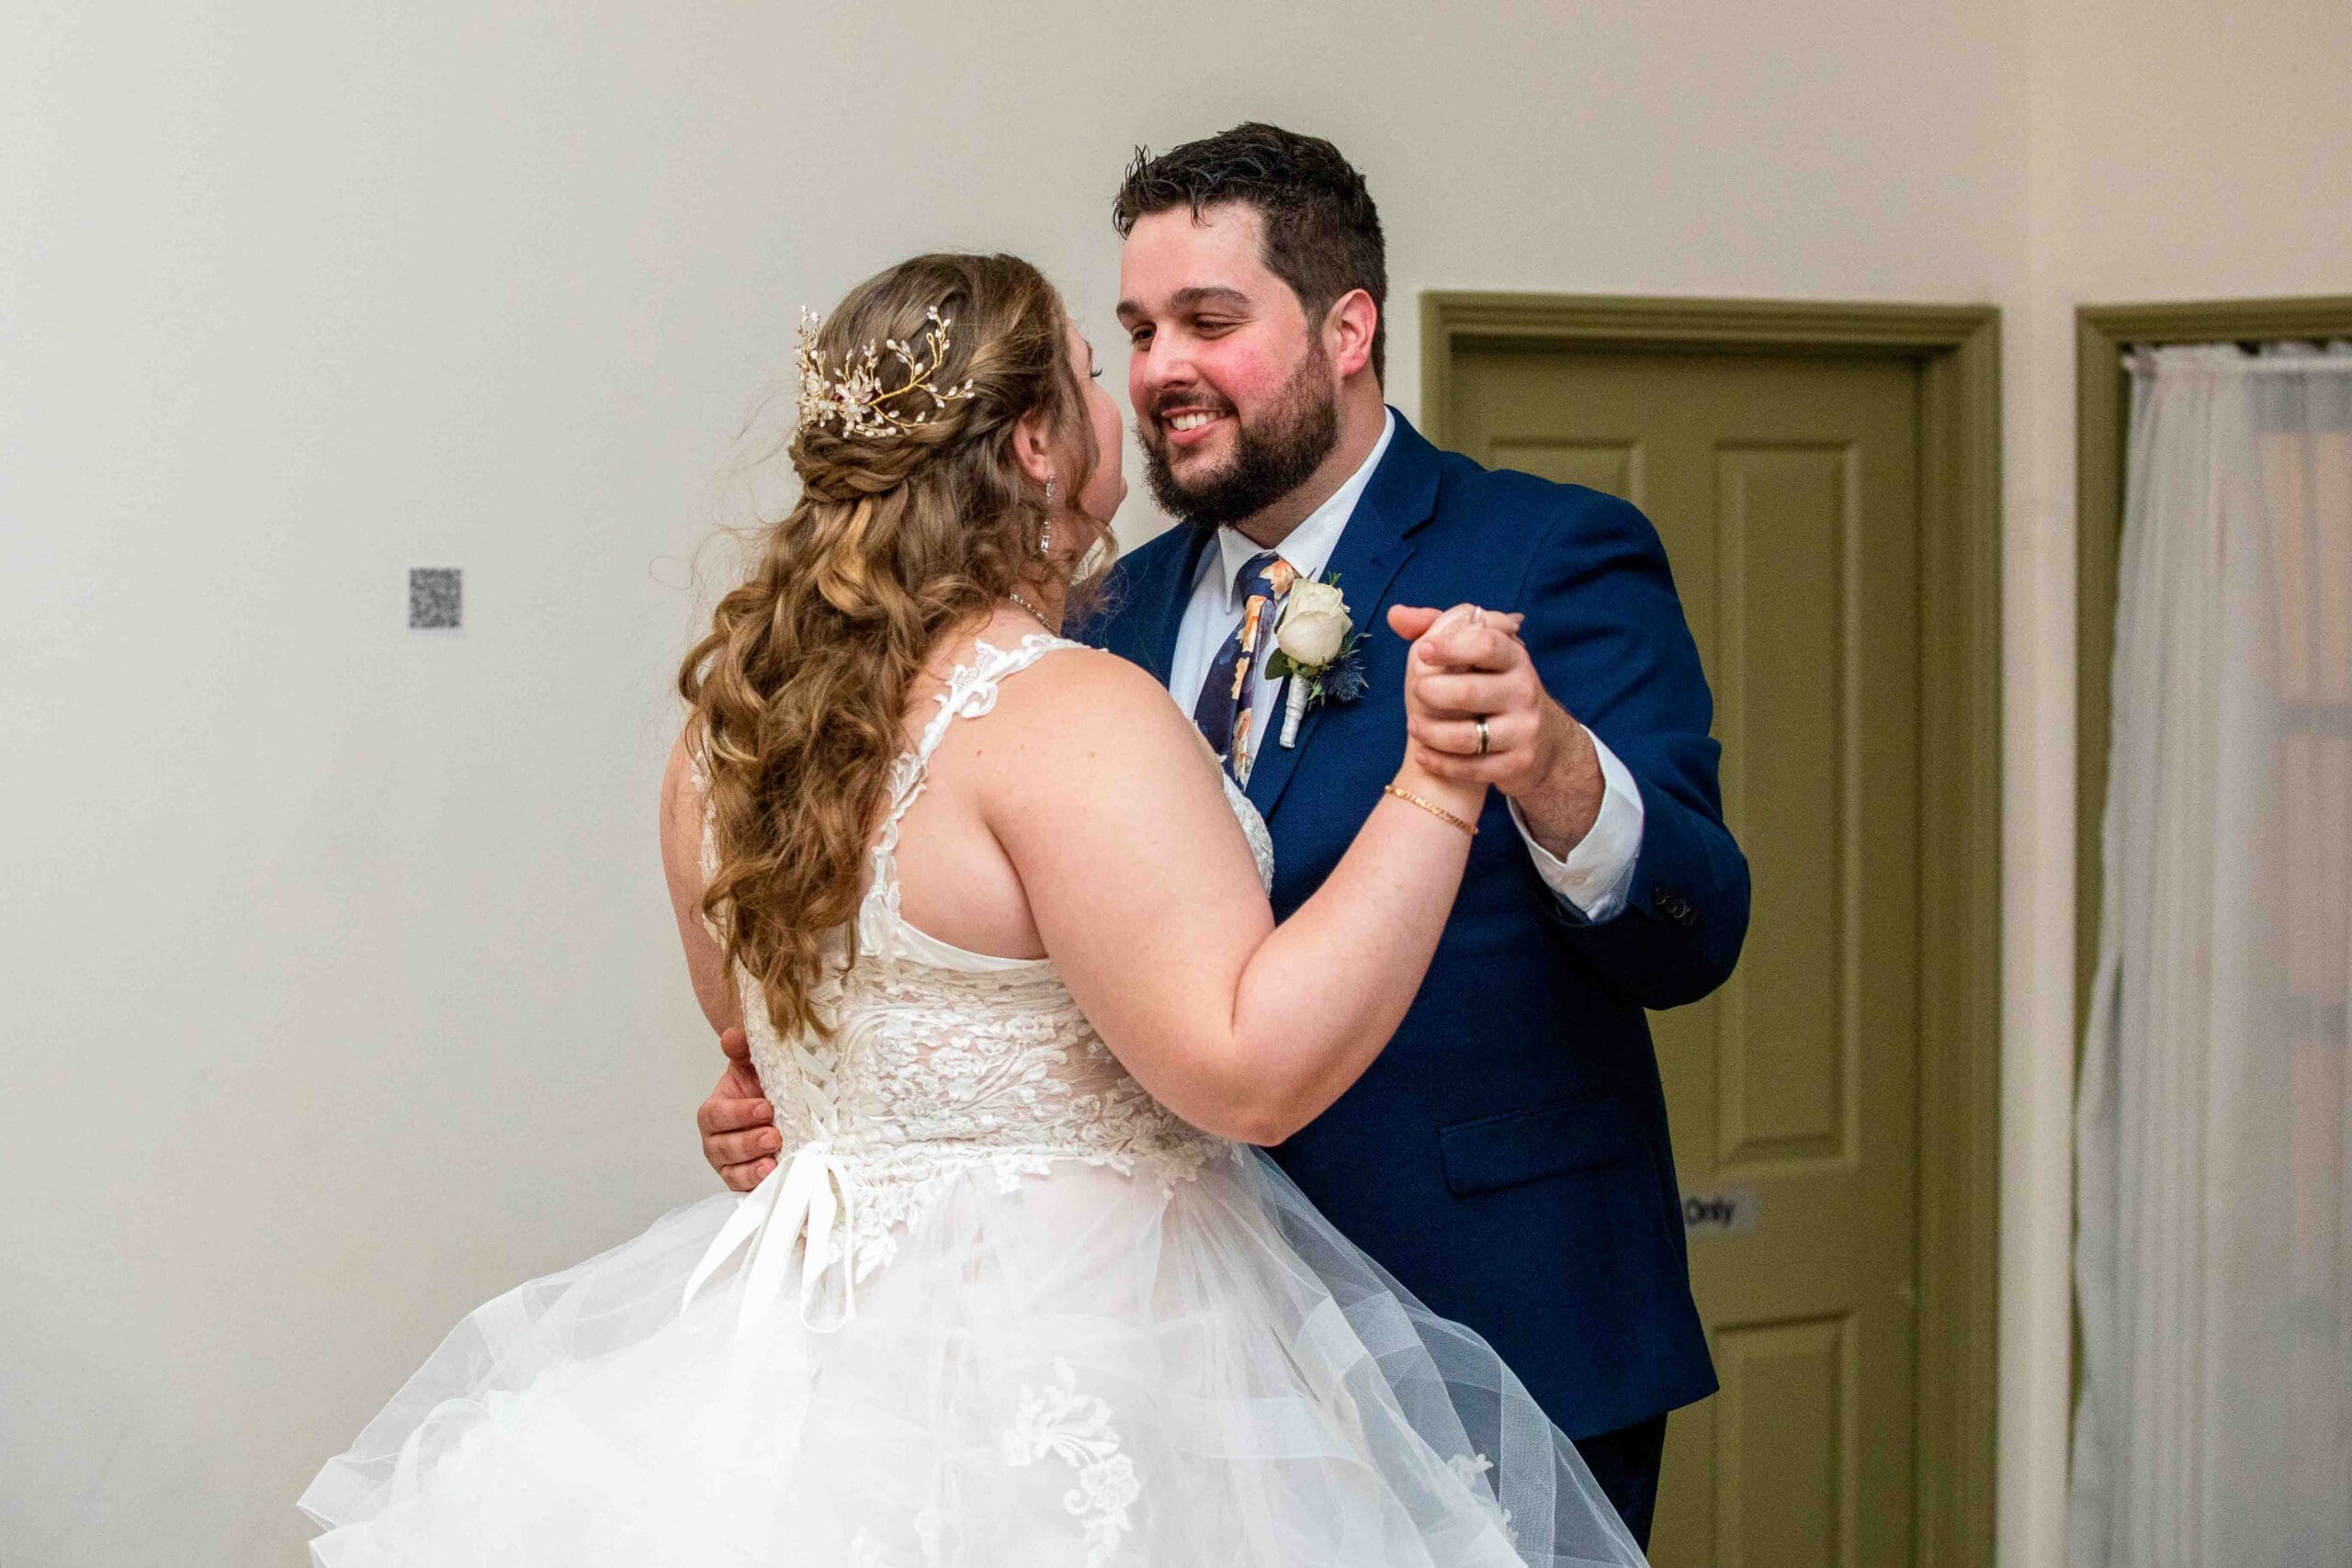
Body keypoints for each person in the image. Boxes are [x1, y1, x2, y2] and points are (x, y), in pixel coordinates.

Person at [302, 251, 1647, 1566]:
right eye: (1088, 367)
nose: (1121, 387)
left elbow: (751, 1041)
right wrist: (1437, 779)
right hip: (1097, 1354)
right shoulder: (1065, 707)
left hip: (803, 1374)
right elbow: (1248, 1071)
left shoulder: (726, 733)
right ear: (1036, 449)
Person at [697, 124, 1748, 1548]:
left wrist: (1560, 771)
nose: (1158, 370)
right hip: (1158, 1360)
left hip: (1495, 1325)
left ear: (1347, 327)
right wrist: (826, 1112)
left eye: (1208, 320)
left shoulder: (1547, 552)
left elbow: (1699, 928)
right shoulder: (1096, 617)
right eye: (1133, 330)